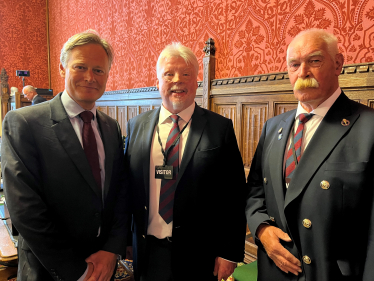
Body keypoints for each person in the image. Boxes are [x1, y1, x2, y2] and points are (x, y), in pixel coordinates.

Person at [245, 28, 374, 281]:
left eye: (314, 61)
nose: (302, 72)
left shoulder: (369, 128)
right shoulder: (273, 127)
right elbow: (254, 192)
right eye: (294, 64)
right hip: (273, 270)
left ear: (338, 64)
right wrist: (261, 230)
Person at [2, 30, 129, 281]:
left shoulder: (110, 126)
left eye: (99, 70)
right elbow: (25, 209)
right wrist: (78, 272)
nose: (90, 77)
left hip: (103, 267)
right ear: (62, 68)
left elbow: (120, 194)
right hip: (50, 270)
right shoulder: (23, 123)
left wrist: (111, 250)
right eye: (80, 66)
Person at [125, 42, 246, 281]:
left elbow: (234, 193)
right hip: (147, 249)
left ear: (196, 81)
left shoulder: (220, 128)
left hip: (200, 253)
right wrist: (125, 239)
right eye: (169, 74)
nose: (177, 80)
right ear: (157, 81)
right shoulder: (136, 125)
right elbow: (126, 187)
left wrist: (229, 252)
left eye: (186, 74)